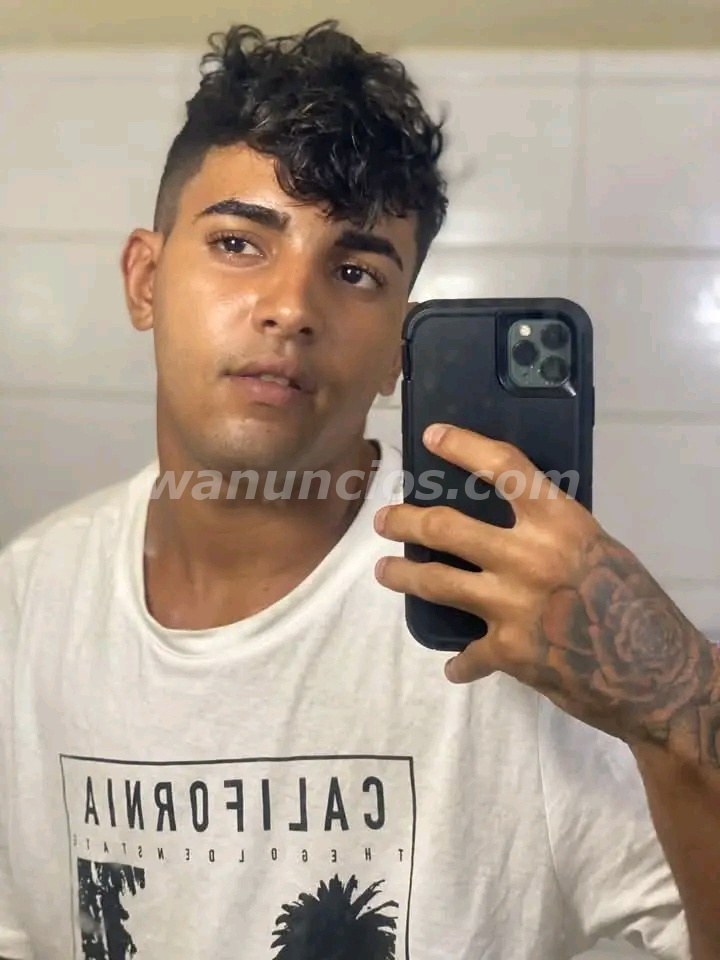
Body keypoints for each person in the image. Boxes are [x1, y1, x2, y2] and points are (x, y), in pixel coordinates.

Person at [0, 20, 717, 960]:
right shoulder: (28, 601)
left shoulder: (521, 616)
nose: (291, 308)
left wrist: (677, 705)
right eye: (238, 243)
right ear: (144, 278)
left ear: (397, 353)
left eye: (353, 271)